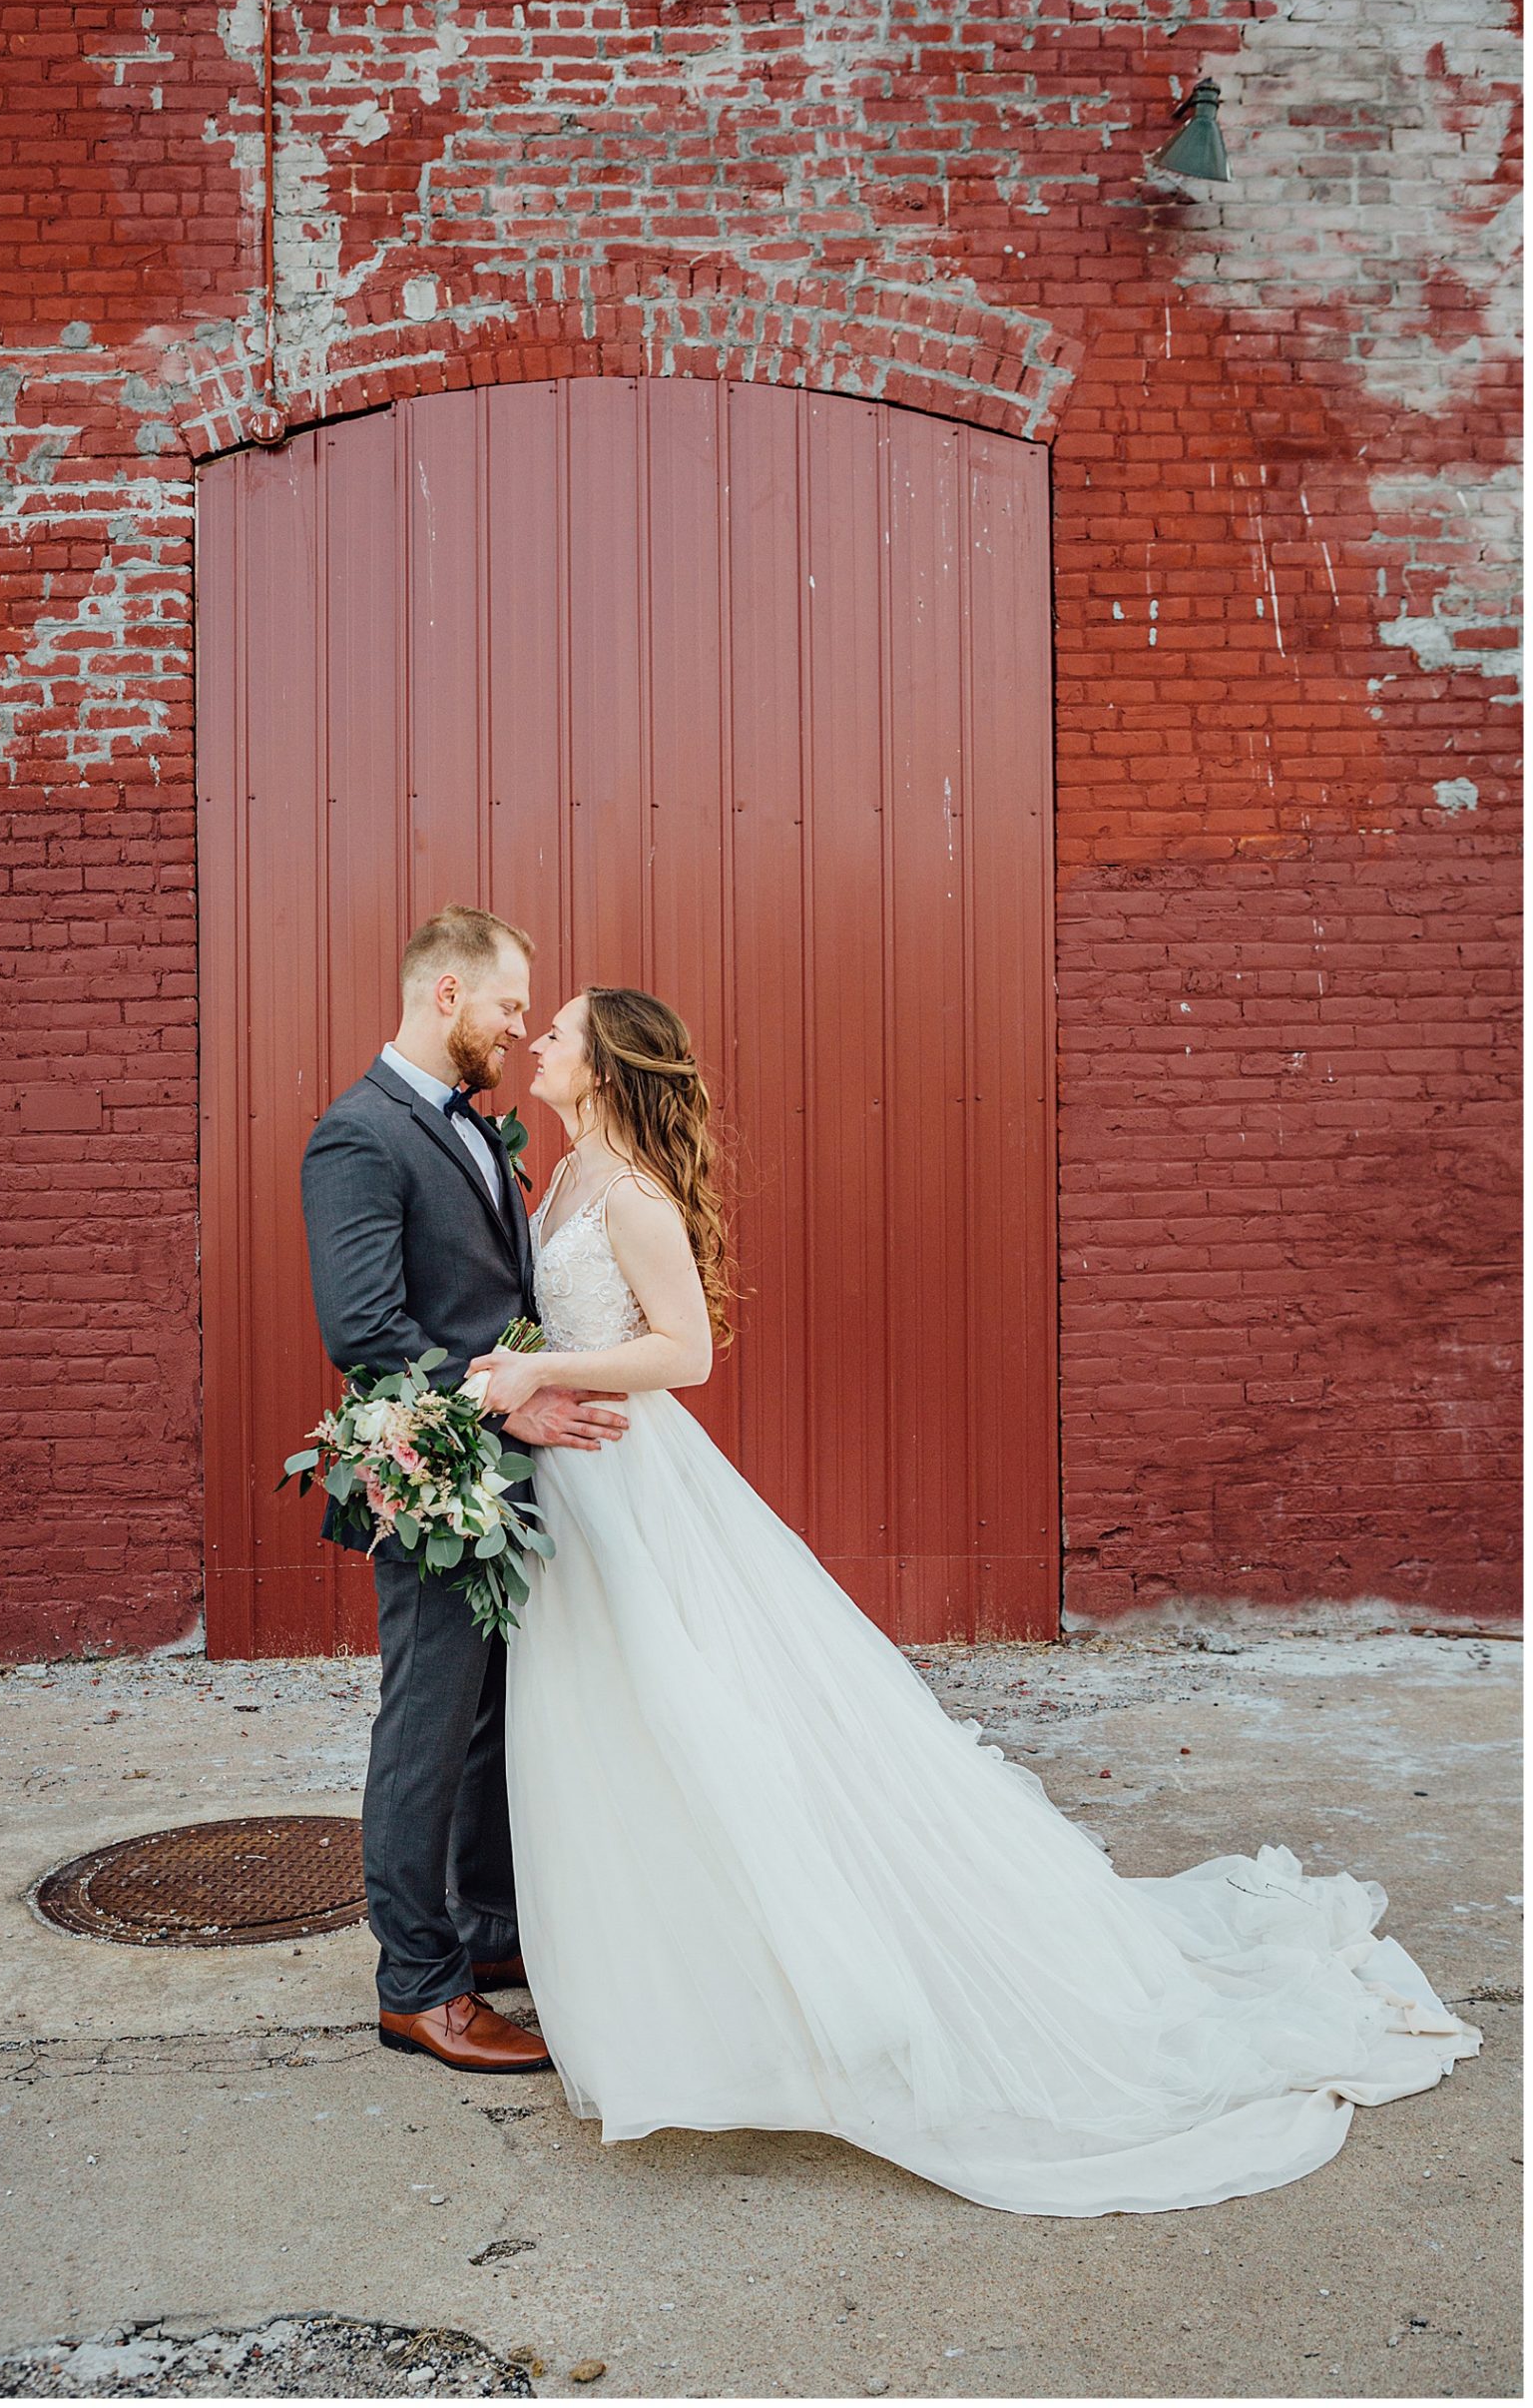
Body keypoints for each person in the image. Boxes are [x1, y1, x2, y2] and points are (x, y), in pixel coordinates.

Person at [463, 984, 1484, 2216]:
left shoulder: (629, 1198)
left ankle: (781, 1993)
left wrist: (539, 1366)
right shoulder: (565, 1177)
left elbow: (685, 1354)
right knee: (616, 1726)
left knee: (701, 1715)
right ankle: (659, 1973)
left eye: (559, 1032)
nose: (537, 1043)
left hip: (633, 1479)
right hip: (577, 1480)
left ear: (607, 1063)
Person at [300, 904, 629, 2075]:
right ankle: (417, 1985)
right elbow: (367, 1331)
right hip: (433, 1476)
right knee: (425, 1730)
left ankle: (484, 1933)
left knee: (490, 1718)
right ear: (446, 995)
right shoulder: (360, 1135)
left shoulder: (473, 1128)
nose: (519, 1025)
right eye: (506, 1006)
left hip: (501, 1476)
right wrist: (508, 1399)